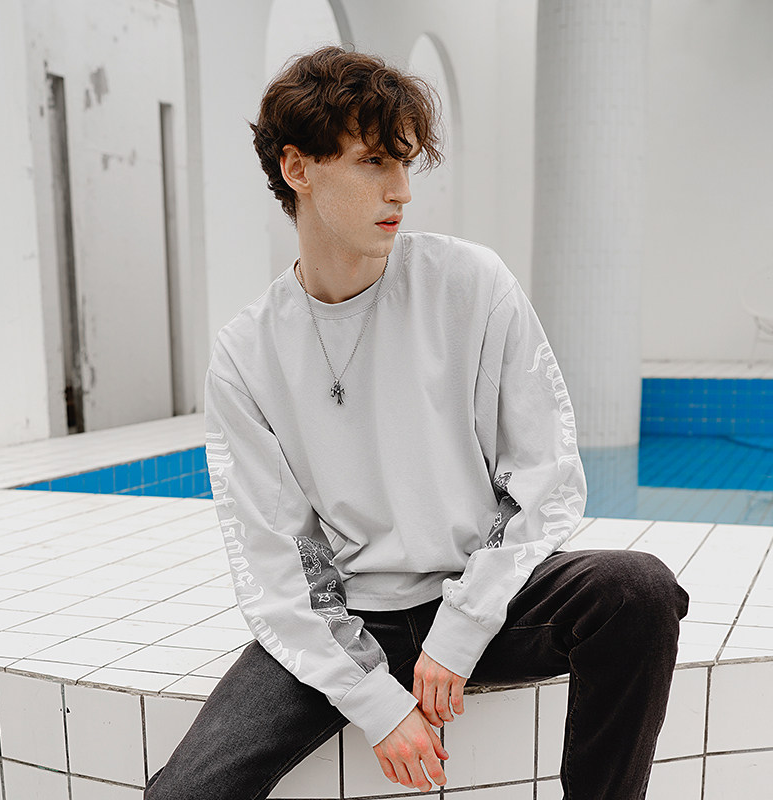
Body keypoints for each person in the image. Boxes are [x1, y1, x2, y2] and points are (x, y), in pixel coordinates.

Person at [145, 46, 688, 800]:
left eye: (404, 162)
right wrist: (375, 700)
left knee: (637, 591)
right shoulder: (249, 352)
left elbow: (546, 479)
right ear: (298, 169)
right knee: (182, 794)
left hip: (482, 598)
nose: (400, 189)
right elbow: (279, 560)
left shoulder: (470, 285)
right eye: (373, 161)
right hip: (349, 619)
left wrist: (462, 626)